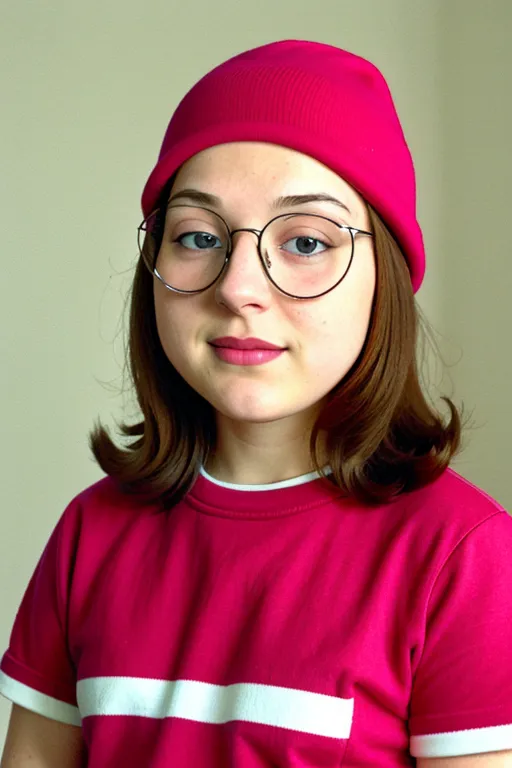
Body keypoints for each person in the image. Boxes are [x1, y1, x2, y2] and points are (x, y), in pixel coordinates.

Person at [0, 39, 511, 768]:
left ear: (385, 277)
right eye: (199, 236)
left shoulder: (463, 558)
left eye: (305, 241)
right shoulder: (90, 534)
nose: (239, 286)